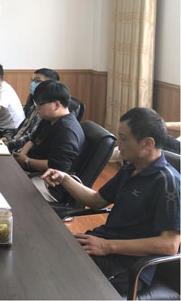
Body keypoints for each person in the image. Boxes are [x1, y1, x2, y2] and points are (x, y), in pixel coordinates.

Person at [42, 107, 180, 295]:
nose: (118, 143)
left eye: (123, 138)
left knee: (54, 278)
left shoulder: (168, 183)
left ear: (147, 143)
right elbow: (96, 200)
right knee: (45, 252)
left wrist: (107, 246)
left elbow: (169, 245)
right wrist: (64, 178)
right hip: (102, 245)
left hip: (128, 267)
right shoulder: (130, 168)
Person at [13, 80, 84, 174]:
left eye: (39, 104)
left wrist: (27, 161)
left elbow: (58, 167)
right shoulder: (49, 118)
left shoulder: (66, 131)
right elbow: (33, 140)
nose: (36, 108)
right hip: (29, 166)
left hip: (45, 177)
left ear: (56, 105)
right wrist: (22, 155)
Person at [4, 68, 60, 151]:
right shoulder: (33, 103)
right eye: (32, 80)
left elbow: (32, 137)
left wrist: (9, 144)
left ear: (51, 84)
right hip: (14, 145)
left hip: (21, 150)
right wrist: (6, 138)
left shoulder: (47, 111)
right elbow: (22, 129)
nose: (33, 84)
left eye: (37, 81)